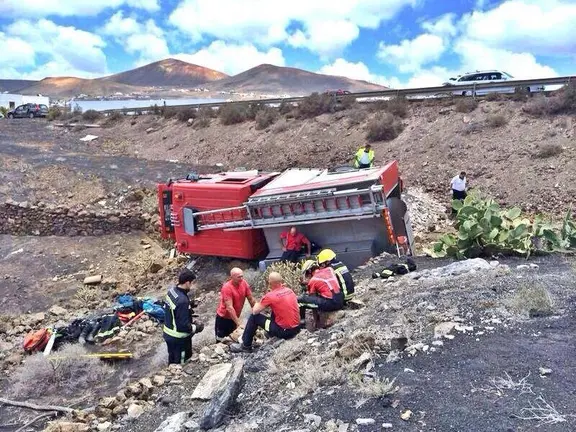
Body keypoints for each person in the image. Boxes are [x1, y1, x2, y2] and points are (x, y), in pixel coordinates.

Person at [230, 272, 301, 353]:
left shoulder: (270, 296)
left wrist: (264, 297)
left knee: (254, 318)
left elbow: (255, 311)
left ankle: (245, 346)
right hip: (296, 329)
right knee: (277, 309)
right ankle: (271, 333)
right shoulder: (289, 290)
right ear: (281, 281)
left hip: (284, 332)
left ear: (269, 283)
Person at [163, 269, 204, 365]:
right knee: (181, 362)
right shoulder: (182, 301)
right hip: (179, 338)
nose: (193, 285)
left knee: (172, 357)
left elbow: (174, 307)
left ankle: (169, 371)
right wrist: (196, 327)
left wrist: (190, 304)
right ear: (187, 283)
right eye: (192, 283)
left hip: (168, 333)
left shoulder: (172, 291)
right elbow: (183, 326)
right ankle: (176, 376)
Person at [214, 267, 256, 342]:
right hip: (224, 318)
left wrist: (256, 311)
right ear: (232, 277)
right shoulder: (227, 287)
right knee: (220, 340)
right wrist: (239, 323)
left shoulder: (244, 283)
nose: (241, 278)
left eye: (242, 276)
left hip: (235, 317)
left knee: (233, 339)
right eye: (239, 277)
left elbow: (251, 299)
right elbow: (229, 308)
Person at [298, 260, 344, 326]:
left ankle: (303, 323)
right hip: (340, 299)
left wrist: (316, 321)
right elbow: (324, 281)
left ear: (310, 271)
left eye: (307, 274)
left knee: (301, 300)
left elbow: (312, 299)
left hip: (332, 303)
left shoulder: (313, 280)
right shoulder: (329, 270)